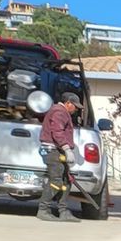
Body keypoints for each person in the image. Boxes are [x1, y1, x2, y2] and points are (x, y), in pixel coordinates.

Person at [37, 89, 81, 222]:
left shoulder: (60, 111)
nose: (76, 109)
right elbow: (57, 131)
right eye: (75, 106)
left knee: (66, 181)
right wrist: (67, 149)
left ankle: (63, 211)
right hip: (53, 151)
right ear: (68, 103)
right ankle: (43, 209)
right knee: (56, 180)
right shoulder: (59, 112)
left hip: (57, 150)